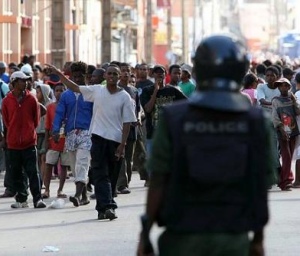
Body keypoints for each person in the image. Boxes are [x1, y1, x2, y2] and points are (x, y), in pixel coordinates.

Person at [137, 35, 271, 256]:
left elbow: (159, 180)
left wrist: (145, 234)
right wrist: (257, 238)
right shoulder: (255, 121)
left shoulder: (174, 118)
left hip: (180, 238)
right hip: (233, 239)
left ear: (197, 70)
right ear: (239, 72)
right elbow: (258, 184)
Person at [45, 63, 136, 220]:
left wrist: (123, 144)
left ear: (119, 76)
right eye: (110, 74)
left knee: (112, 176)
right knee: (101, 174)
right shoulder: (97, 91)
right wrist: (59, 74)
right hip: (97, 138)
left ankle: (102, 207)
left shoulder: (124, 97)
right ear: (105, 77)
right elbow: (74, 88)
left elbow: (127, 122)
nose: (112, 76)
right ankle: (108, 206)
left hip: (115, 140)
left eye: (115, 74)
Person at [2, 71, 46, 208]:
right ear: (14, 82)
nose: (25, 83)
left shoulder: (32, 99)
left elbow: (36, 119)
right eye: (22, 80)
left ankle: (37, 199)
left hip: (29, 143)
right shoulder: (6, 101)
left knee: (33, 172)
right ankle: (21, 199)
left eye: (26, 80)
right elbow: (6, 121)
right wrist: (13, 135)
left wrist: (28, 132)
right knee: (16, 173)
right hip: (13, 144)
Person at [52, 61, 93, 207]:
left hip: (87, 133)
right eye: (74, 76)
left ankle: (76, 195)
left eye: (80, 76)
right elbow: (59, 114)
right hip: (70, 134)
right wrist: (56, 130)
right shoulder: (65, 96)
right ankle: (84, 196)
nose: (77, 79)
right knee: (75, 167)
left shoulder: (90, 93)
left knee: (82, 164)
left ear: (85, 76)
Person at [272, 78, 300, 191]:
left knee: (289, 155)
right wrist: (281, 129)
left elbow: (298, 112)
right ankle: (286, 181)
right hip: (282, 131)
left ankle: (285, 180)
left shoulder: (291, 98)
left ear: (289, 87)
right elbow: (274, 116)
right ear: (278, 87)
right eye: (281, 86)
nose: (283, 88)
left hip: (293, 131)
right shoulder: (276, 100)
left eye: (285, 86)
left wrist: (294, 101)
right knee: (286, 156)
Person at [43, 83, 69, 199]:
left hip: (66, 141)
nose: (59, 93)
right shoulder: (50, 107)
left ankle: (60, 190)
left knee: (64, 166)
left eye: (61, 90)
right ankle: (47, 190)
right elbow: (47, 127)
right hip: (53, 141)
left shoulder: (69, 106)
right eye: (57, 90)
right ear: (54, 92)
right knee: (49, 165)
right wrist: (46, 141)